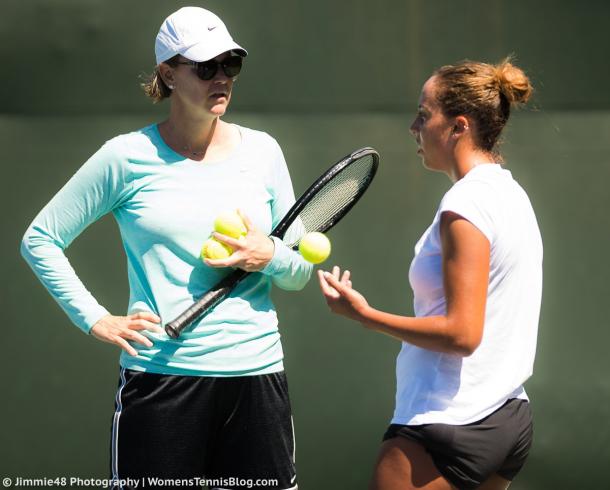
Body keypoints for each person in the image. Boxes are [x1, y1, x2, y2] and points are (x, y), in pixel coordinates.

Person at [21, 6, 310, 490]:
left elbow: (298, 271)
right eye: (205, 67)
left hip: (256, 379)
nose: (222, 78)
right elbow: (41, 239)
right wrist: (94, 317)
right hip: (161, 383)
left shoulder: (264, 152)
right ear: (168, 73)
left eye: (230, 64)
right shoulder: (125, 157)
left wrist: (271, 255)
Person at [318, 58, 542, 490]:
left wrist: (363, 315)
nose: (413, 127)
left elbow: (462, 334)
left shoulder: (467, 205)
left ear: (459, 126)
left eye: (424, 115)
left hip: (449, 421)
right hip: (507, 418)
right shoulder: (512, 195)